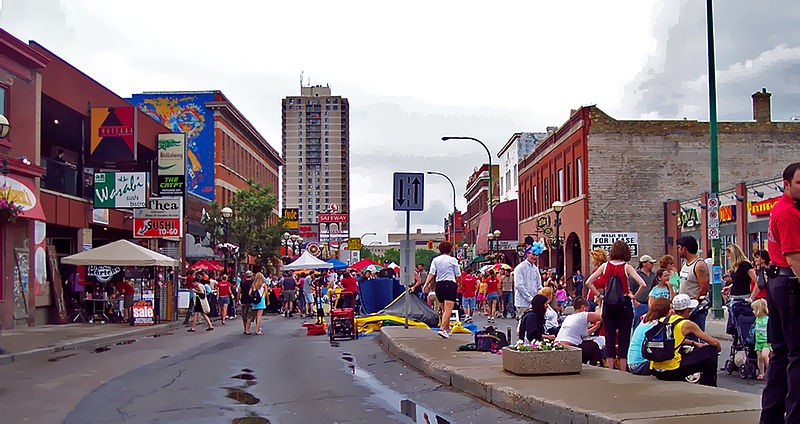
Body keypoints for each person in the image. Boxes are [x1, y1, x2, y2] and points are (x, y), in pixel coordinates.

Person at [761, 162, 800, 423]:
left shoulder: (779, 209)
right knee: (797, 354)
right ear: (786, 184)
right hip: (789, 283)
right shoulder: (788, 213)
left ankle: (772, 416)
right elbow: (795, 257)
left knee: (781, 352)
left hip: (777, 282)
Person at [585, 240, 647, 371]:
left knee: (609, 336)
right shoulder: (627, 267)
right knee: (624, 337)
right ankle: (623, 369)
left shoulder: (605, 266)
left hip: (608, 303)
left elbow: (589, 282)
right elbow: (643, 284)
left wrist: (600, 295)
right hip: (623, 303)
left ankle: (610, 367)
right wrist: (633, 296)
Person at [650, 294, 720, 387]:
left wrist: (693, 343)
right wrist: (717, 348)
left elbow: (672, 341)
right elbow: (714, 343)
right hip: (672, 371)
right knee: (710, 351)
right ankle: (709, 385)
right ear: (687, 310)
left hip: (656, 369)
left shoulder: (663, 320)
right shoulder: (687, 324)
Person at [425, 241, 461, 339]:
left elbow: (431, 273)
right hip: (450, 284)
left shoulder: (435, 260)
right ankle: (442, 329)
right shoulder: (453, 260)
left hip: (439, 285)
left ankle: (447, 329)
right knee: (448, 309)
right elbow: (458, 275)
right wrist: (459, 284)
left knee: (444, 309)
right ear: (450, 249)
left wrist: (426, 284)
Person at [627, 297, 672, 375]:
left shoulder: (646, 321)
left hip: (632, 363)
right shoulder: (656, 325)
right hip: (641, 364)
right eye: (670, 309)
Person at [555, 297, 603, 365]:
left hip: (558, 344)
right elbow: (603, 316)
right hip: (571, 347)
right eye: (587, 309)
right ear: (583, 307)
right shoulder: (583, 315)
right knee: (593, 346)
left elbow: (584, 334)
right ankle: (596, 366)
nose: (587, 311)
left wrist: (595, 327)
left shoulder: (568, 317)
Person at [676, 236, 710, 332]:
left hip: (694, 309)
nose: (678, 250)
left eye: (679, 247)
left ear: (684, 248)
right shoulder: (685, 264)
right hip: (683, 308)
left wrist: (695, 304)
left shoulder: (699, 265)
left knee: (696, 335)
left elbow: (704, 287)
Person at [514, 244, 544, 318]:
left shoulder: (535, 268)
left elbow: (538, 284)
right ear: (527, 254)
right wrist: (530, 298)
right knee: (523, 323)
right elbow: (519, 285)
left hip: (535, 302)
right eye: (533, 255)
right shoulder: (520, 268)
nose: (535, 257)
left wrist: (541, 296)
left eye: (537, 255)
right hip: (523, 303)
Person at [632, 255, 657, 330]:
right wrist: (635, 301)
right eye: (651, 263)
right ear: (644, 264)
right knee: (637, 324)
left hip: (651, 303)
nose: (652, 265)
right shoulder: (636, 275)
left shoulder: (654, 275)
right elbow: (631, 289)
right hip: (640, 304)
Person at [751, 298, 771, 381]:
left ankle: (770, 372)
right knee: (759, 358)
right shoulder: (757, 319)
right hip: (758, 341)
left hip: (766, 341)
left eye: (754, 310)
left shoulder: (767, 319)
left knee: (765, 355)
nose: (753, 312)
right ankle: (761, 372)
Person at [239, 270, 255, 335]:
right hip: (250, 301)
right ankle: (247, 330)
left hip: (243, 301)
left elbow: (239, 291)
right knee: (250, 316)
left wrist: (237, 299)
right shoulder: (253, 283)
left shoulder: (242, 283)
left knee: (244, 315)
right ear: (251, 276)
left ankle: (245, 328)